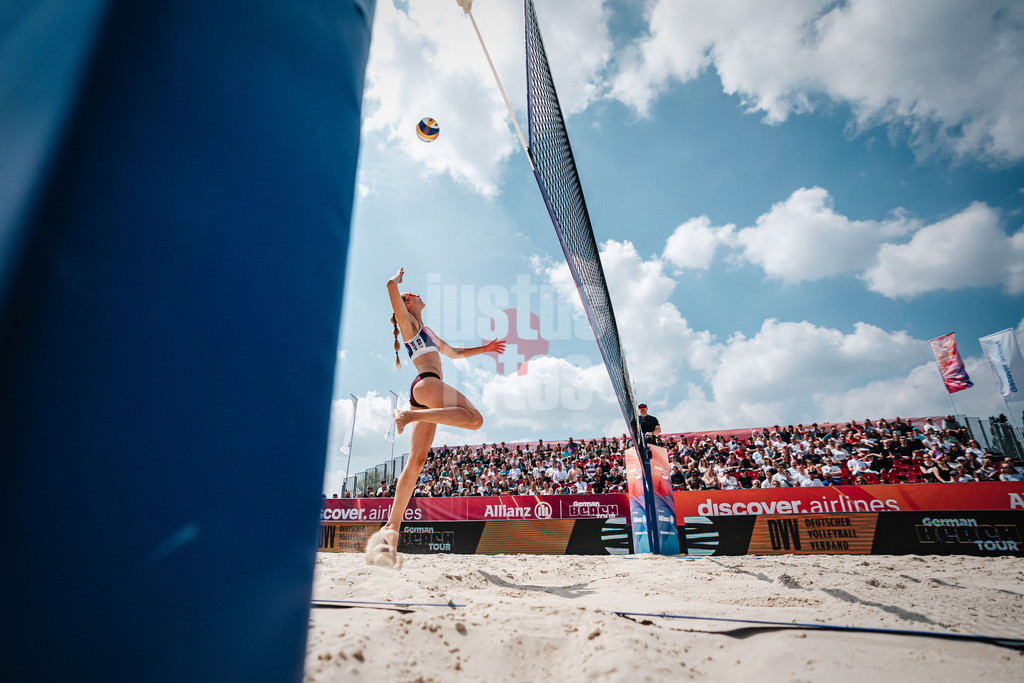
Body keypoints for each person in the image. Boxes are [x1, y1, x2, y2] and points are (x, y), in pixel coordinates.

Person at [366, 268, 506, 567]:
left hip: (423, 393)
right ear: (406, 304)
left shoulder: (426, 330)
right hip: (426, 385)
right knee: (475, 419)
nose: (418, 295)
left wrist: (487, 348)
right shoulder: (407, 323)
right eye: (412, 295)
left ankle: (391, 530)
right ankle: (408, 416)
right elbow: (389, 285)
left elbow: (453, 353)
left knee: (415, 463)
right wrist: (397, 280)